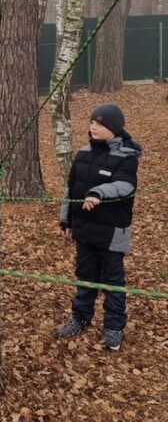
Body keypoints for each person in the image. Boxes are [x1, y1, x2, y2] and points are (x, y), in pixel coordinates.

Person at [55, 103, 143, 352]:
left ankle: (114, 327)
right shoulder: (83, 153)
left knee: (112, 281)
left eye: (100, 123)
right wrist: (66, 220)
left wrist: (98, 193)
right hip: (84, 230)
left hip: (112, 231)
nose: (93, 127)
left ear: (113, 128)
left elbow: (125, 186)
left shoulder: (126, 157)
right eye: (92, 122)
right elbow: (70, 189)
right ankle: (80, 317)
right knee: (85, 277)